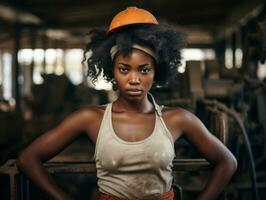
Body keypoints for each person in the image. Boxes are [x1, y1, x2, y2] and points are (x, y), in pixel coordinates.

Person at [17, 7, 237, 200]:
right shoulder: (91, 119)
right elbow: (28, 159)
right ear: (112, 71)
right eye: (124, 69)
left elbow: (227, 162)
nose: (134, 79)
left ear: (156, 72)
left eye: (144, 70)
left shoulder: (178, 119)